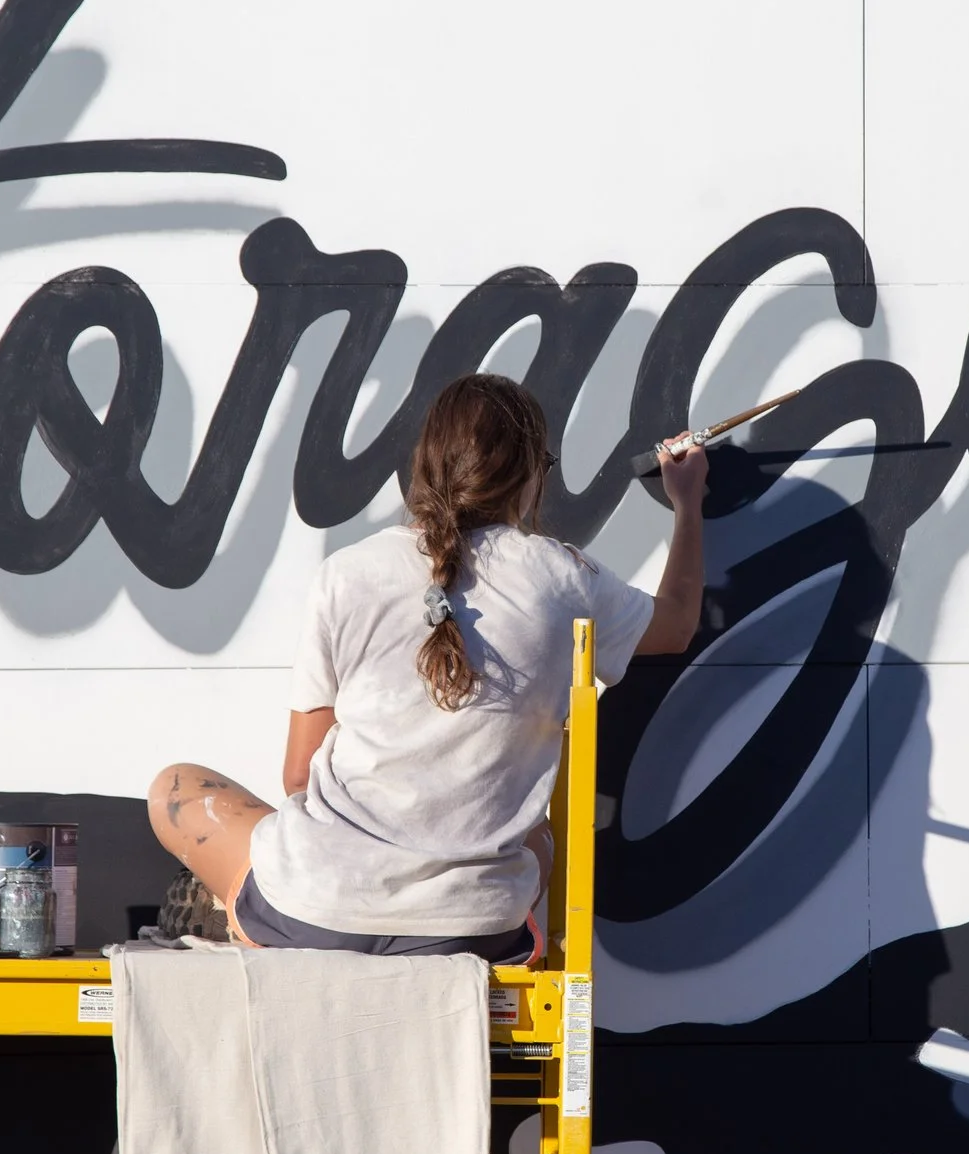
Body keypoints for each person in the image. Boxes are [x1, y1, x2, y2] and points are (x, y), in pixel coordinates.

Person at [146, 374, 708, 962]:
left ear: (425, 464)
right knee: (537, 834)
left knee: (174, 790)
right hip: (466, 927)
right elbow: (676, 625)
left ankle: (233, 904)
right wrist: (687, 505)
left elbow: (298, 775)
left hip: (315, 914)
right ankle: (258, 903)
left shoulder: (347, 574)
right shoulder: (562, 578)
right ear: (526, 473)